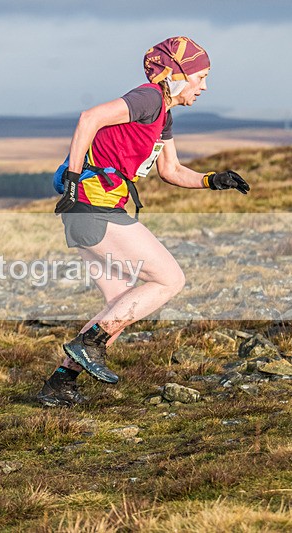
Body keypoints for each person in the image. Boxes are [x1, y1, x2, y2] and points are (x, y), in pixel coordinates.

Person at [37, 37, 250, 407]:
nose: (204, 86)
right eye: (200, 77)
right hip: (93, 206)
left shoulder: (163, 114)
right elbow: (90, 118)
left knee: (119, 304)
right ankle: (89, 345)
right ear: (175, 74)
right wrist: (72, 178)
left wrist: (213, 180)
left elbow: (171, 170)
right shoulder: (149, 98)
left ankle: (59, 384)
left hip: (92, 209)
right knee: (170, 279)